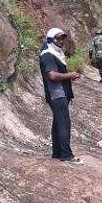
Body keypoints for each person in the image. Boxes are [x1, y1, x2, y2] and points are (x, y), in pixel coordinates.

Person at [39, 28, 82, 164]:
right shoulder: (48, 55)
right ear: (51, 39)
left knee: (58, 122)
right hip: (57, 94)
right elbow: (51, 75)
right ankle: (66, 155)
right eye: (59, 38)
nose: (62, 41)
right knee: (64, 122)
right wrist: (70, 75)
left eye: (63, 38)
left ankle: (57, 152)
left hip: (60, 94)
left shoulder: (56, 54)